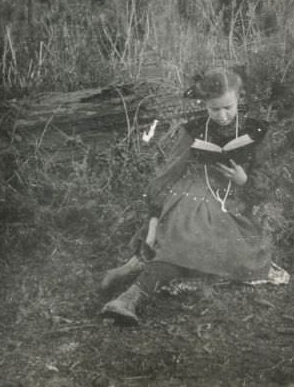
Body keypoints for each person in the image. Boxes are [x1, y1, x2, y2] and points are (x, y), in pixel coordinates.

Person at [100, 67, 277, 325]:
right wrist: (153, 219)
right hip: (193, 195)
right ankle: (129, 298)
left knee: (221, 249)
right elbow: (168, 175)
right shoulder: (193, 131)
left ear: (240, 98)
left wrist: (244, 180)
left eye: (228, 107)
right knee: (188, 230)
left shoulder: (256, 132)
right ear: (204, 105)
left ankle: (132, 273)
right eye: (214, 109)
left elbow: (267, 178)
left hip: (233, 202)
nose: (222, 115)